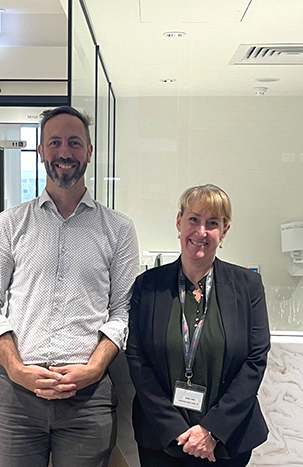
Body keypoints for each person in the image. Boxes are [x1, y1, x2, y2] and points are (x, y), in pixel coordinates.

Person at [0, 106, 140, 467]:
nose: (64, 153)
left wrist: (94, 368)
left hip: (88, 398)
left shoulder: (119, 229)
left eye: (75, 143)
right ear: (41, 151)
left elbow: (124, 310)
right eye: (55, 143)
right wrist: (17, 368)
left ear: (90, 152)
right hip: (15, 396)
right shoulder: (11, 224)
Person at [125, 184, 270, 466]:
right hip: (161, 439)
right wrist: (174, 429)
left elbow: (255, 361)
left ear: (224, 230)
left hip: (228, 441)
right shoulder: (148, 286)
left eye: (212, 223)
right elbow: (138, 359)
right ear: (179, 222)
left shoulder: (247, 287)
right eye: (193, 219)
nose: (200, 232)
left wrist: (211, 430)